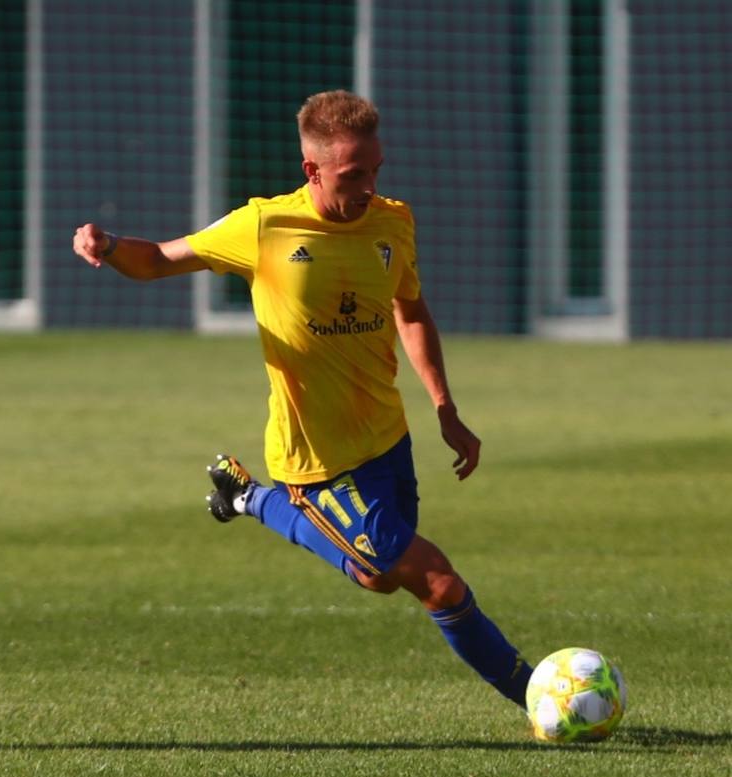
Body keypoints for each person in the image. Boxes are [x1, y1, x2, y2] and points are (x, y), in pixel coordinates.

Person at [72, 90, 534, 711]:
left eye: (375, 169)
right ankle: (538, 697)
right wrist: (109, 246)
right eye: (353, 174)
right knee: (438, 582)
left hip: (387, 439)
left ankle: (246, 497)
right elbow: (158, 259)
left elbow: (411, 309)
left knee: (377, 576)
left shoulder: (393, 220)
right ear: (311, 170)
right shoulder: (264, 226)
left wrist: (445, 408)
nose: (368, 185)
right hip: (318, 461)